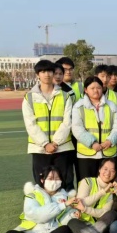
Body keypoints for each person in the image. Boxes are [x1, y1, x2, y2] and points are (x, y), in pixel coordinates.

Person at [5, 166, 75, 233]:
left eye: (57, 178)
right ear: (42, 180)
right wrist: (62, 205)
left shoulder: (66, 197)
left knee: (65, 230)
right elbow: (39, 216)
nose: (54, 182)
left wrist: (73, 215)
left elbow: (65, 220)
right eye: (50, 178)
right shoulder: (32, 195)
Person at [22, 59, 75, 191]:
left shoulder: (65, 96)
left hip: (62, 148)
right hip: (39, 149)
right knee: (42, 184)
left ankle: (67, 205)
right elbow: (30, 125)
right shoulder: (29, 98)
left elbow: (67, 122)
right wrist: (45, 144)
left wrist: (55, 143)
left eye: (50, 71)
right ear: (37, 75)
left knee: (65, 183)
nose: (47, 74)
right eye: (43, 71)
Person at [66, 158, 117, 233]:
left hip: (98, 225)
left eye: (112, 170)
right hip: (80, 222)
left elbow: (104, 213)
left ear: (115, 174)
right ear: (99, 169)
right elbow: (80, 202)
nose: (108, 173)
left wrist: (85, 209)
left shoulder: (112, 191)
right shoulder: (87, 181)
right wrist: (102, 192)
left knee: (112, 214)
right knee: (72, 222)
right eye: (105, 169)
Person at [72, 76, 117, 180]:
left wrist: (110, 141)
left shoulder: (112, 106)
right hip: (86, 154)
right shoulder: (78, 106)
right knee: (87, 184)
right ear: (86, 90)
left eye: (98, 88)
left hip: (108, 152)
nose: (96, 90)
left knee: (108, 183)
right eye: (92, 88)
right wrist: (92, 143)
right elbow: (77, 128)